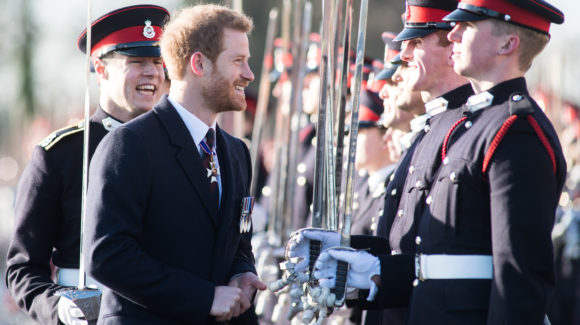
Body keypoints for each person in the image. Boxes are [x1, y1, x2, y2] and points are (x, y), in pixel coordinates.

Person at [300, 0, 567, 324]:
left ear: (508, 44)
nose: (452, 33)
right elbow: (426, 258)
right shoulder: (467, 122)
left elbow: (518, 274)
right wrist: (352, 257)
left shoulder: (516, 130)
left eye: (466, 26)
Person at [82, 4, 266, 324]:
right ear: (199, 63)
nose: (249, 74)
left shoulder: (237, 152)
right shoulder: (131, 144)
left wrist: (243, 274)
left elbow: (238, 242)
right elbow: (107, 255)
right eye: (238, 61)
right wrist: (204, 297)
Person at [5, 5, 169, 325]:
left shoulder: (176, 147)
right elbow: (23, 267)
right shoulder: (59, 155)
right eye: (137, 61)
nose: (152, 72)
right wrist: (57, 306)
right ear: (101, 68)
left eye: (158, 62)